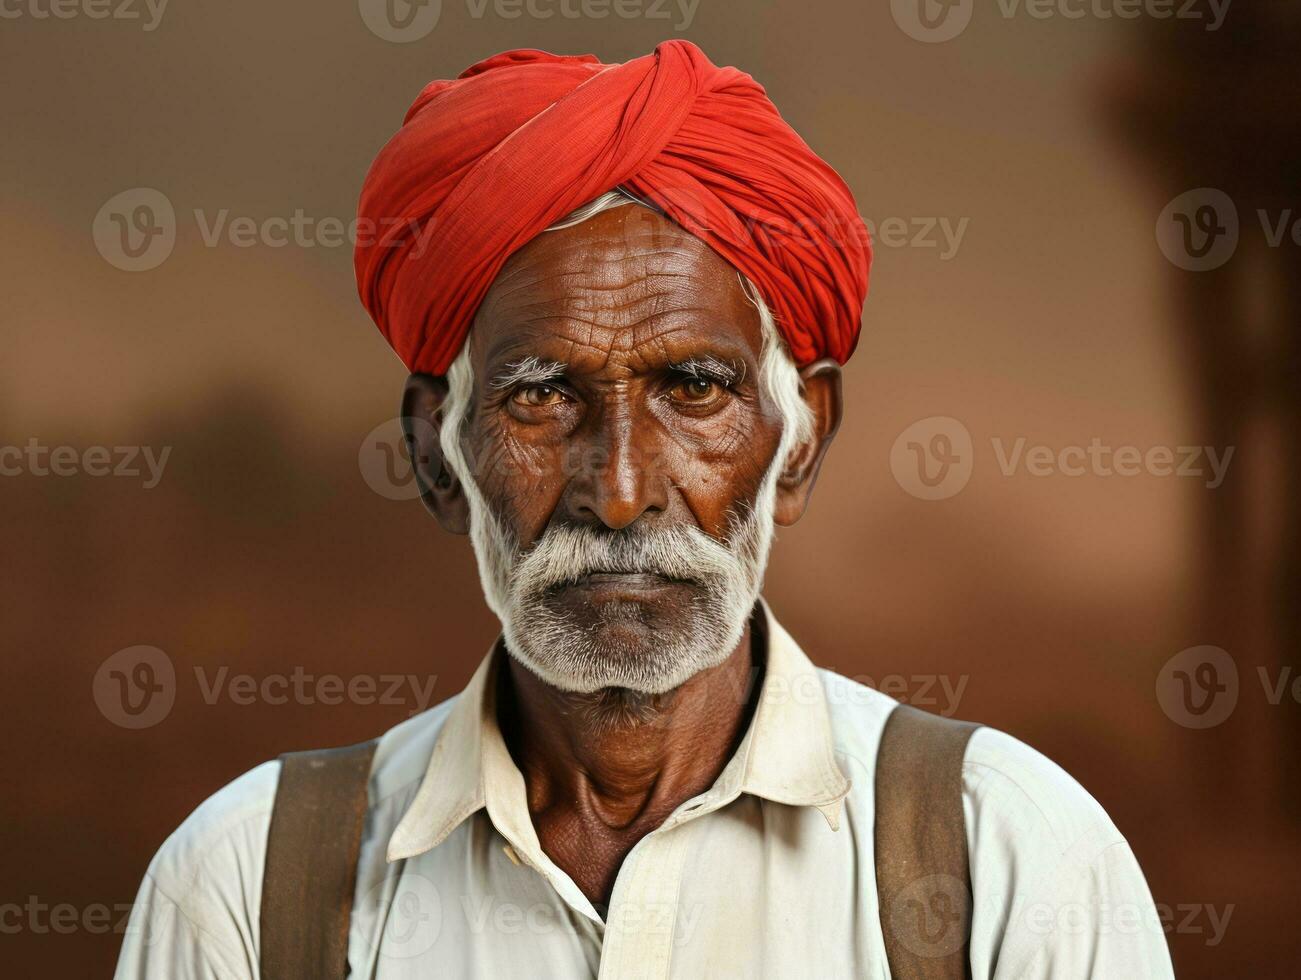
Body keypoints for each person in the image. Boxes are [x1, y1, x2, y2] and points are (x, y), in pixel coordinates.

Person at [116, 41, 1174, 978]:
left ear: (800, 439)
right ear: (437, 457)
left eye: (695, 390)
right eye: (538, 395)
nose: (618, 490)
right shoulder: (243, 895)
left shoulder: (1013, 860)